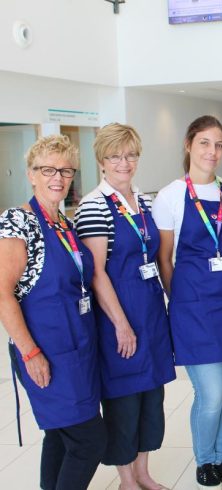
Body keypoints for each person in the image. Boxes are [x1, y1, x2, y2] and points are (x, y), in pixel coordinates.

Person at [153, 115, 222, 490]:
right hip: (194, 308)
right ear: (188, 145)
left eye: (218, 144)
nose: (212, 151)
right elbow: (164, 258)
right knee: (211, 393)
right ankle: (205, 460)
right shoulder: (169, 197)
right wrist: (178, 301)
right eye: (204, 143)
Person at [0, 135, 106, 490]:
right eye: (48, 169)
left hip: (78, 347)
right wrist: (30, 353)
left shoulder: (65, 224)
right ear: (31, 174)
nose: (57, 177)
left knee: (61, 437)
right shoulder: (18, 221)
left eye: (65, 170)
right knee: (90, 440)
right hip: (46, 350)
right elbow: (2, 294)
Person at [74, 123, 176, 490]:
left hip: (150, 313)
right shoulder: (93, 205)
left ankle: (144, 472)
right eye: (116, 156)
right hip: (119, 318)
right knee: (124, 402)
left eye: (130, 155)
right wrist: (121, 324)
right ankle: (126, 479)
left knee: (151, 399)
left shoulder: (144, 200)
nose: (124, 162)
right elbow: (97, 273)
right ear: (101, 160)